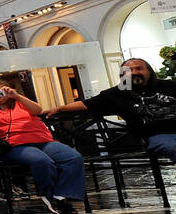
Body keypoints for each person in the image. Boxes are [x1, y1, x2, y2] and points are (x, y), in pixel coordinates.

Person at [0, 80, 85, 214]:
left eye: (1, 90)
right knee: (41, 160)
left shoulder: (19, 102)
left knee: (73, 157)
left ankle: (60, 196)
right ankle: (49, 195)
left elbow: (37, 110)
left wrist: (17, 96)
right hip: (13, 145)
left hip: (42, 140)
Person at [46, 58, 176, 160]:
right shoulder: (116, 94)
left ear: (149, 71)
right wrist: (59, 108)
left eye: (139, 69)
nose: (135, 72)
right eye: (129, 70)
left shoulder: (169, 86)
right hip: (159, 136)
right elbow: (86, 104)